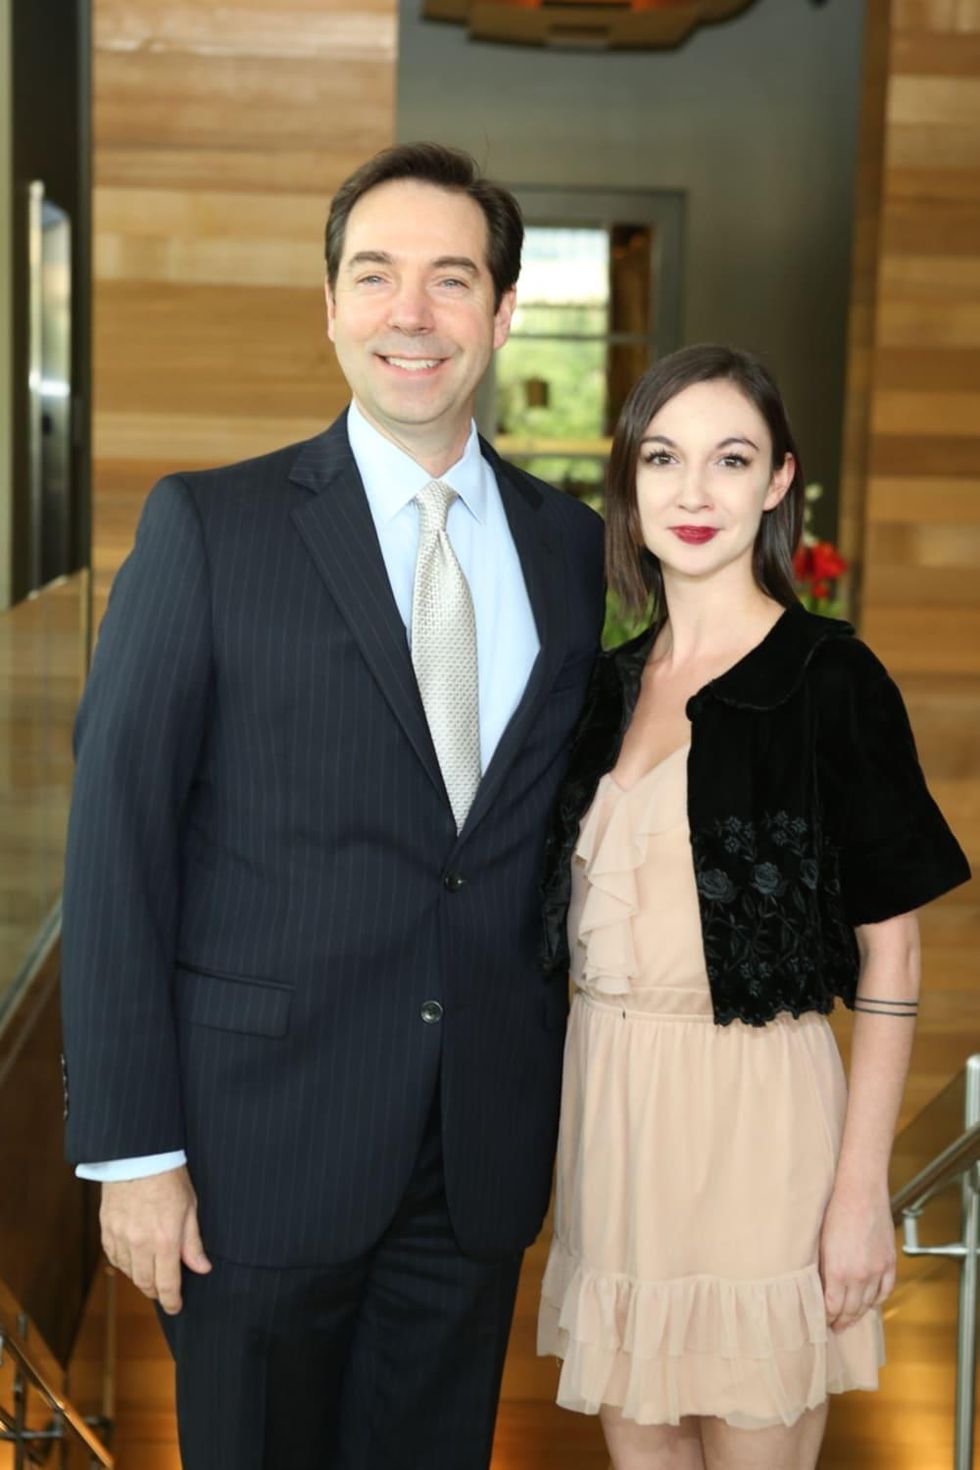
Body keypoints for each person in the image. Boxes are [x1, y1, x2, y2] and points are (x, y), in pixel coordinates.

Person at [60, 142, 605, 1470]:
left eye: (450, 278)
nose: (410, 312)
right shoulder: (210, 527)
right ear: (330, 305)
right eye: (375, 275)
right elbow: (117, 844)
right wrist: (133, 1150)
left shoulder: (568, 543)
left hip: (472, 1156)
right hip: (257, 1153)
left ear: (502, 310)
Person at [536, 343, 970, 1469]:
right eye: (664, 459)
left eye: (728, 460)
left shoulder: (830, 677)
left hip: (759, 1113)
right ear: (627, 484)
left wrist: (857, 1193)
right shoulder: (603, 687)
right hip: (612, 1112)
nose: (693, 493)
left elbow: (894, 956)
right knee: (641, 1449)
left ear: (777, 481)